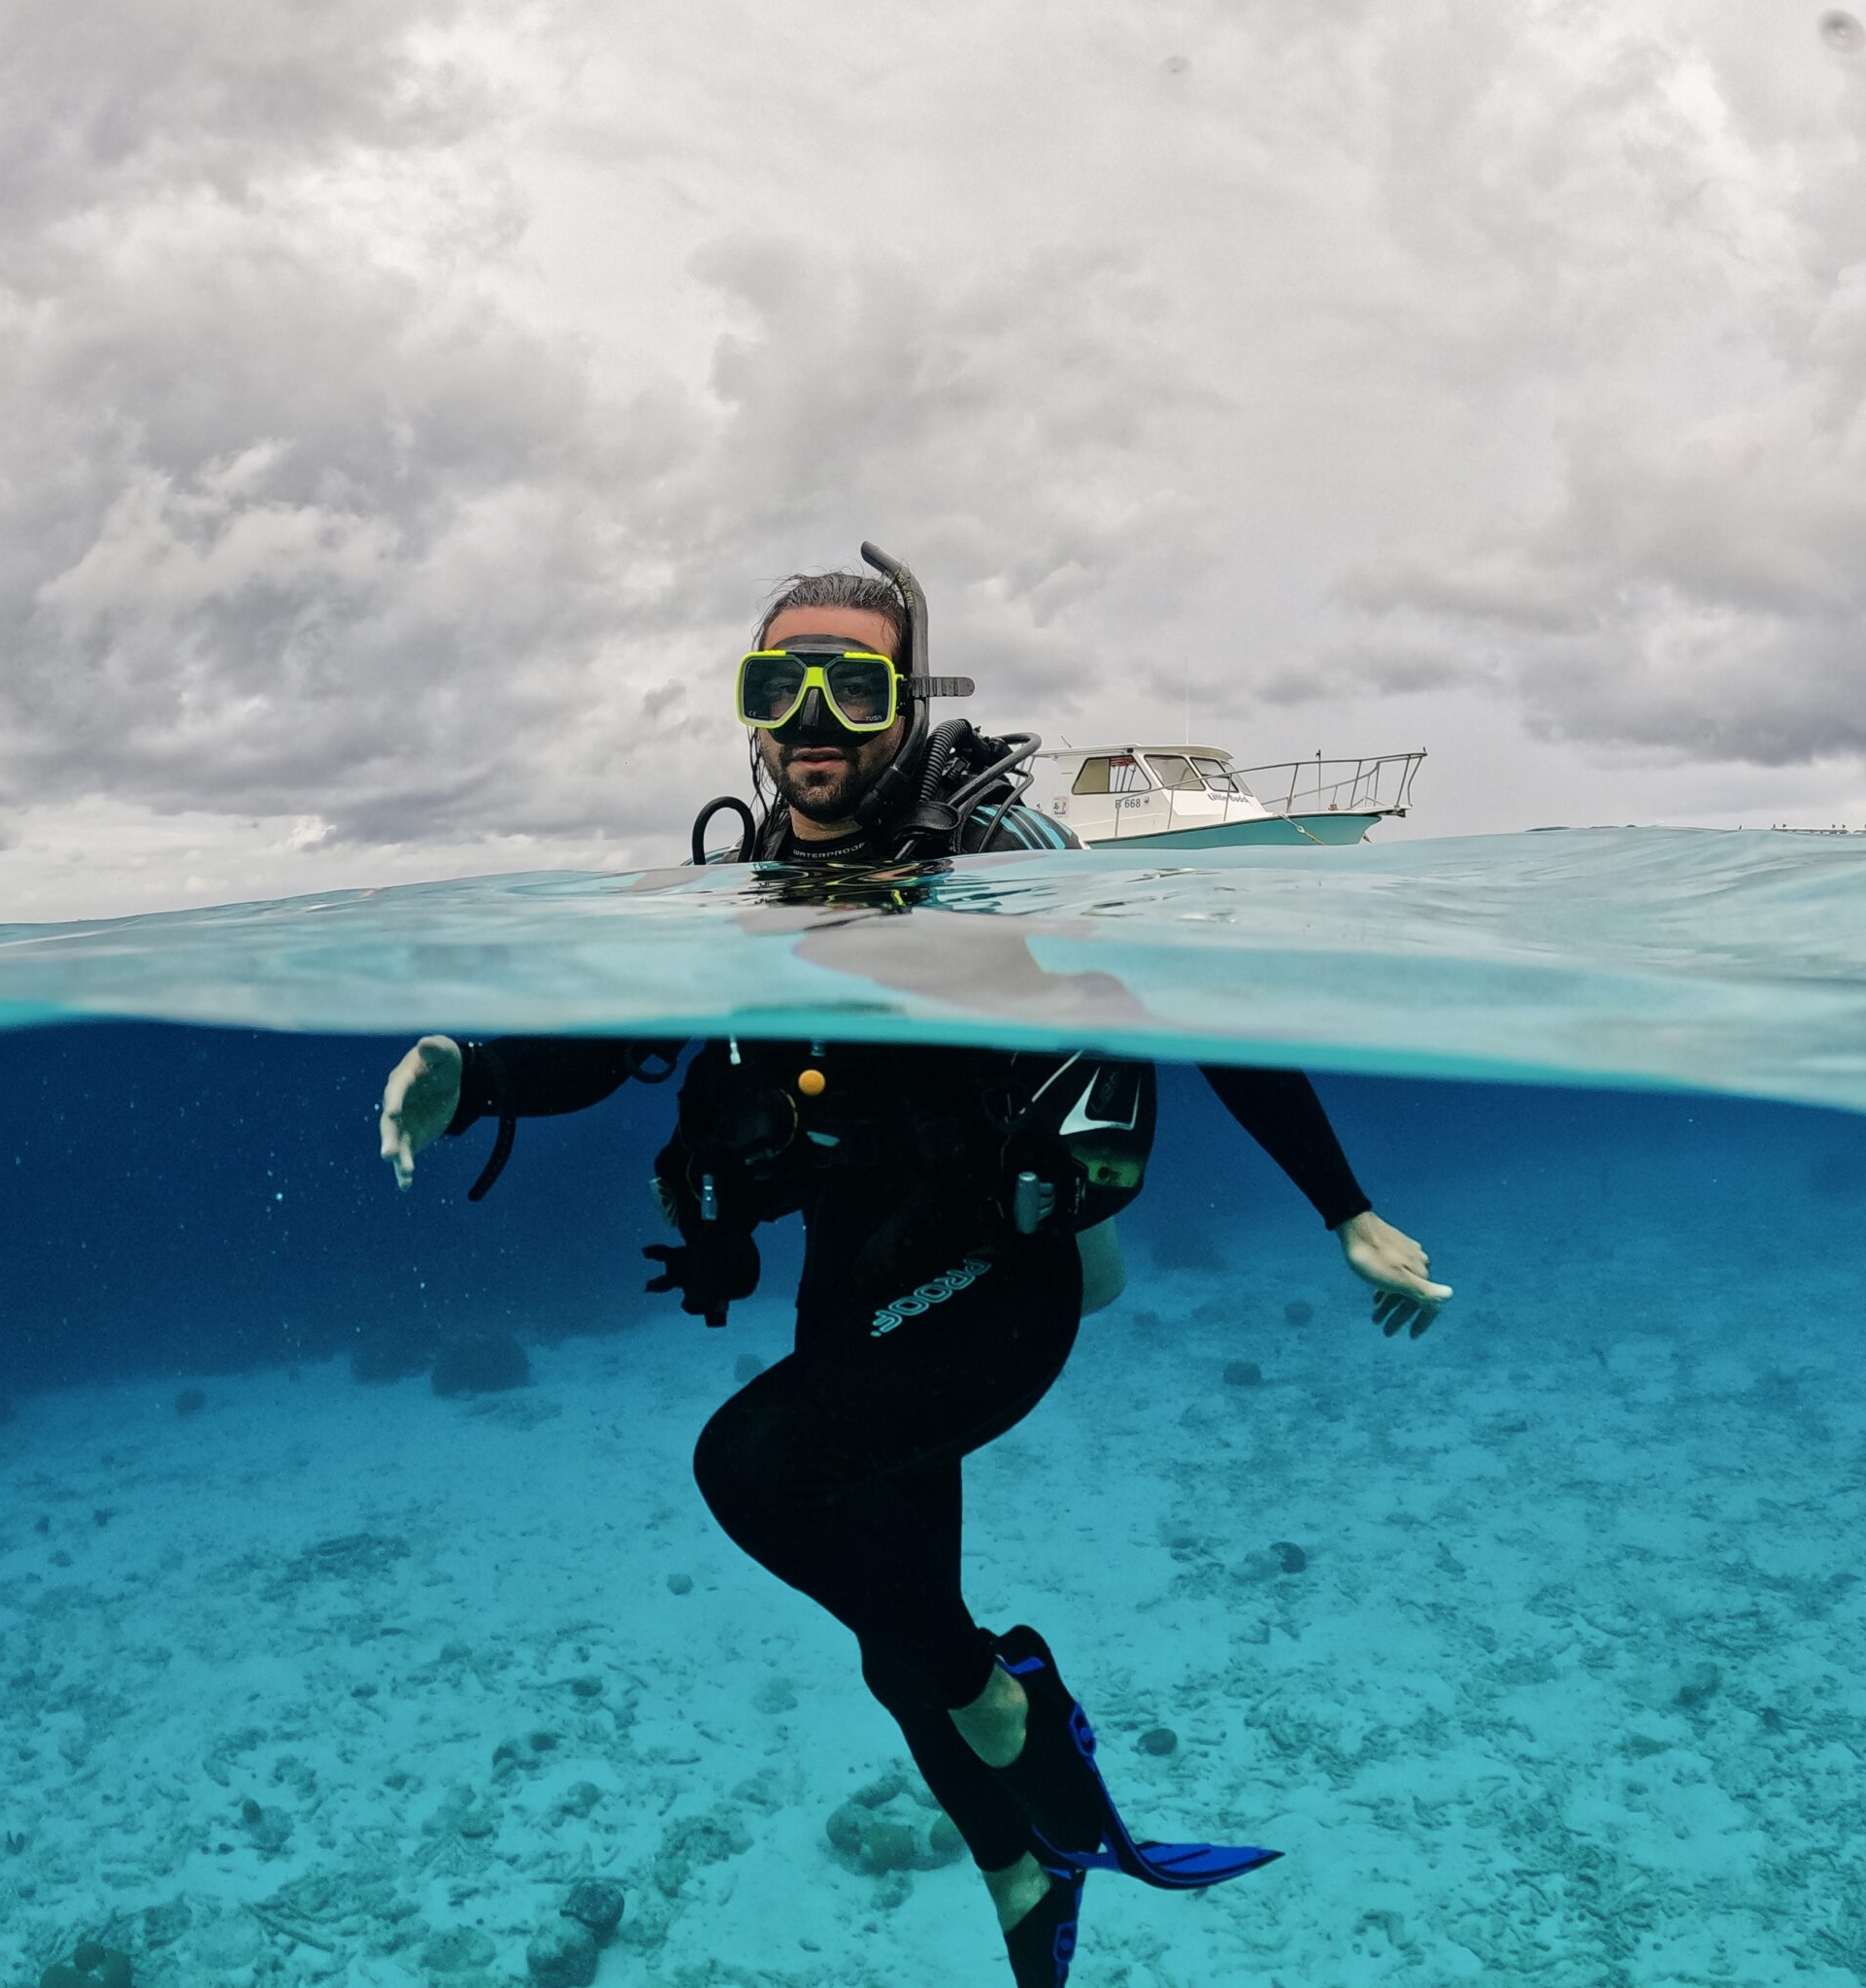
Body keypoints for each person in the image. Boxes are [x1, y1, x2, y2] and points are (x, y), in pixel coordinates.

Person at [378, 547, 1452, 1985]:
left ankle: (1015, 1710)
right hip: (855, 1275)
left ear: (909, 702)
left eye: (853, 687)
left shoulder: (998, 862)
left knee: (750, 1468)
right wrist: (476, 1074)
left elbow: (1197, 1008)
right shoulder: (747, 883)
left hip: (996, 1284)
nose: (812, 720)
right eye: (781, 685)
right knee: (894, 1636)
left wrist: (1345, 1209)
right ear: (749, 708)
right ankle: (1027, 1876)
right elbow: (621, 1035)